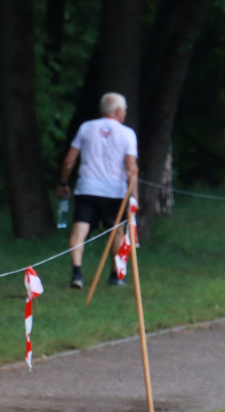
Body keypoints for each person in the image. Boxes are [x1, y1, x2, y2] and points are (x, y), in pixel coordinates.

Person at [56, 92, 138, 289]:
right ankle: (116, 275)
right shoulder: (127, 133)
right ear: (118, 111)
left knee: (79, 230)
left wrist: (63, 182)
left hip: (87, 188)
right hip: (115, 190)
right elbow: (131, 167)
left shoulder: (86, 128)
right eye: (125, 110)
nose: (125, 113)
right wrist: (134, 195)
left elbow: (69, 161)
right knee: (117, 232)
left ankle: (77, 273)